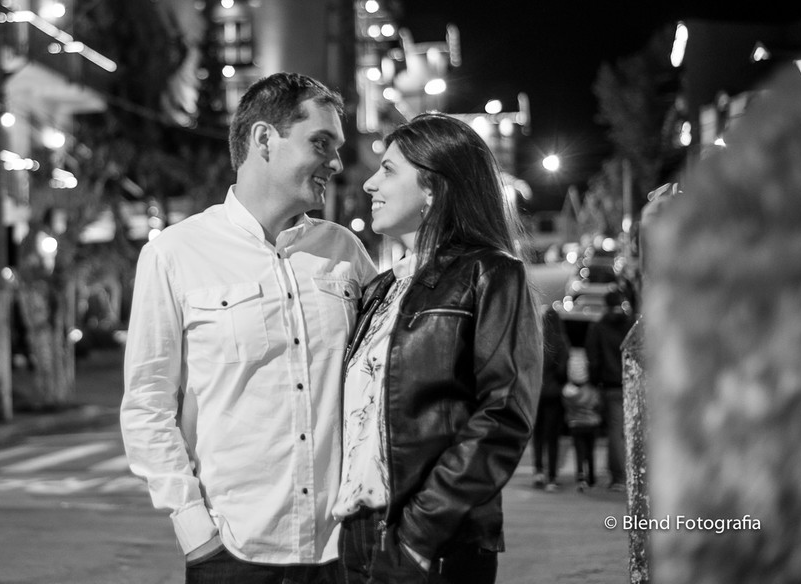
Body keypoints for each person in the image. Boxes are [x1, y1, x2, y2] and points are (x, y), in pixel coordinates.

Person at [121, 72, 378, 583]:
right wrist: (196, 533)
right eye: (321, 143)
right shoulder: (174, 254)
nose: (336, 162)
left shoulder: (344, 252)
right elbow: (147, 404)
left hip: (341, 554)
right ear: (264, 139)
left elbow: (384, 376)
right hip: (232, 554)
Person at [335, 113, 541, 584]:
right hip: (357, 532)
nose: (369, 183)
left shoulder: (489, 273)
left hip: (433, 537)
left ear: (432, 187)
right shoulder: (382, 288)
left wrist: (421, 532)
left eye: (388, 170)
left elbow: (504, 413)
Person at [585, 288, 636, 493]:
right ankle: (635, 474)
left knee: (615, 432)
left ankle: (619, 477)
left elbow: (593, 359)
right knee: (633, 430)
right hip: (633, 383)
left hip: (611, 385)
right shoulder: (631, 324)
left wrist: (594, 382)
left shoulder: (598, 327)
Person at [532, 306, 570, 491]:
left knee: (538, 434)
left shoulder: (536, 340)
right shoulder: (561, 342)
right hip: (554, 394)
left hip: (536, 392)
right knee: (552, 436)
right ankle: (552, 477)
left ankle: (538, 471)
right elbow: (563, 371)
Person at [561, 349, 601, 493]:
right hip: (591, 423)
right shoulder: (592, 391)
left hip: (575, 424)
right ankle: (592, 477)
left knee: (579, 451)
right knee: (590, 452)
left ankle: (580, 477)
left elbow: (565, 406)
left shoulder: (567, 392)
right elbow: (598, 405)